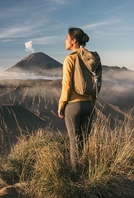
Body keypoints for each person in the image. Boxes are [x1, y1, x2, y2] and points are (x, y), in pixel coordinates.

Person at [58, 27, 96, 170]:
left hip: (74, 106)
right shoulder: (90, 58)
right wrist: (93, 102)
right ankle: (87, 172)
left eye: (67, 38)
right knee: (84, 142)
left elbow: (66, 84)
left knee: (74, 142)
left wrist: (62, 104)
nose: (65, 41)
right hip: (89, 104)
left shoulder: (70, 59)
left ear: (74, 41)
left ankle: (76, 175)